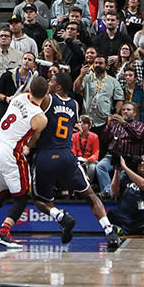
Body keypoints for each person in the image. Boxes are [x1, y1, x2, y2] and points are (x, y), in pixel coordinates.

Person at [30, 72, 121, 250]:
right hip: (66, 156)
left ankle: (61, 217)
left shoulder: (47, 100)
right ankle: (109, 230)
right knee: (90, 196)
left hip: (46, 155)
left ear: (58, 87)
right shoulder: (75, 104)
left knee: (39, 200)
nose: (49, 82)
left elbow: (34, 94)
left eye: (52, 81)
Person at [0, 75, 50, 250]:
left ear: (29, 89)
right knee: (21, 198)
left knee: (4, 192)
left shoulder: (19, 97)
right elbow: (32, 140)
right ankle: (3, 232)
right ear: (47, 92)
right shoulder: (41, 118)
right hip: (10, 153)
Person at [107, 152, 144, 235]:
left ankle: (126, 229)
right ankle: (140, 229)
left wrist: (125, 167)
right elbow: (114, 192)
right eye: (140, 161)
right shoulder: (127, 177)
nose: (142, 163)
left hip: (143, 215)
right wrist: (117, 170)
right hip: (126, 215)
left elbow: (143, 185)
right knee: (111, 214)